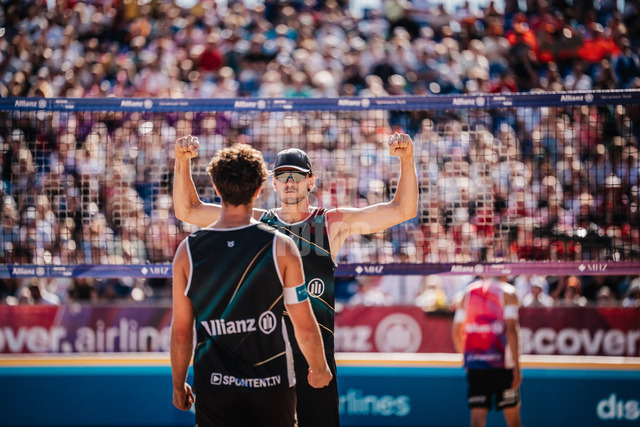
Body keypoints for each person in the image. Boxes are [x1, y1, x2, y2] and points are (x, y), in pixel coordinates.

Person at [173, 132, 418, 426]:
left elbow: (403, 210)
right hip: (267, 358)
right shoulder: (256, 221)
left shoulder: (330, 223)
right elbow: (188, 210)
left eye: (297, 175)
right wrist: (182, 161)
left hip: (313, 356)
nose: (289, 182)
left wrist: (406, 159)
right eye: (282, 176)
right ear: (273, 183)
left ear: (310, 181)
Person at [170, 143, 332, 427]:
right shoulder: (281, 245)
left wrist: (178, 385)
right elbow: (305, 326)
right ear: (259, 189)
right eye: (282, 176)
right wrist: (319, 368)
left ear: (216, 188)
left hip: (215, 385)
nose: (289, 182)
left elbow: (182, 333)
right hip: (271, 384)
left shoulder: (188, 250)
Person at [452, 276, 522, 427]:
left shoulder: (468, 293)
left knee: (477, 421)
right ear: (505, 275)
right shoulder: (508, 292)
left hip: (477, 364)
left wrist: (466, 357)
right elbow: (511, 329)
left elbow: (457, 330)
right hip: (504, 366)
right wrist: (517, 366)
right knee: (513, 421)